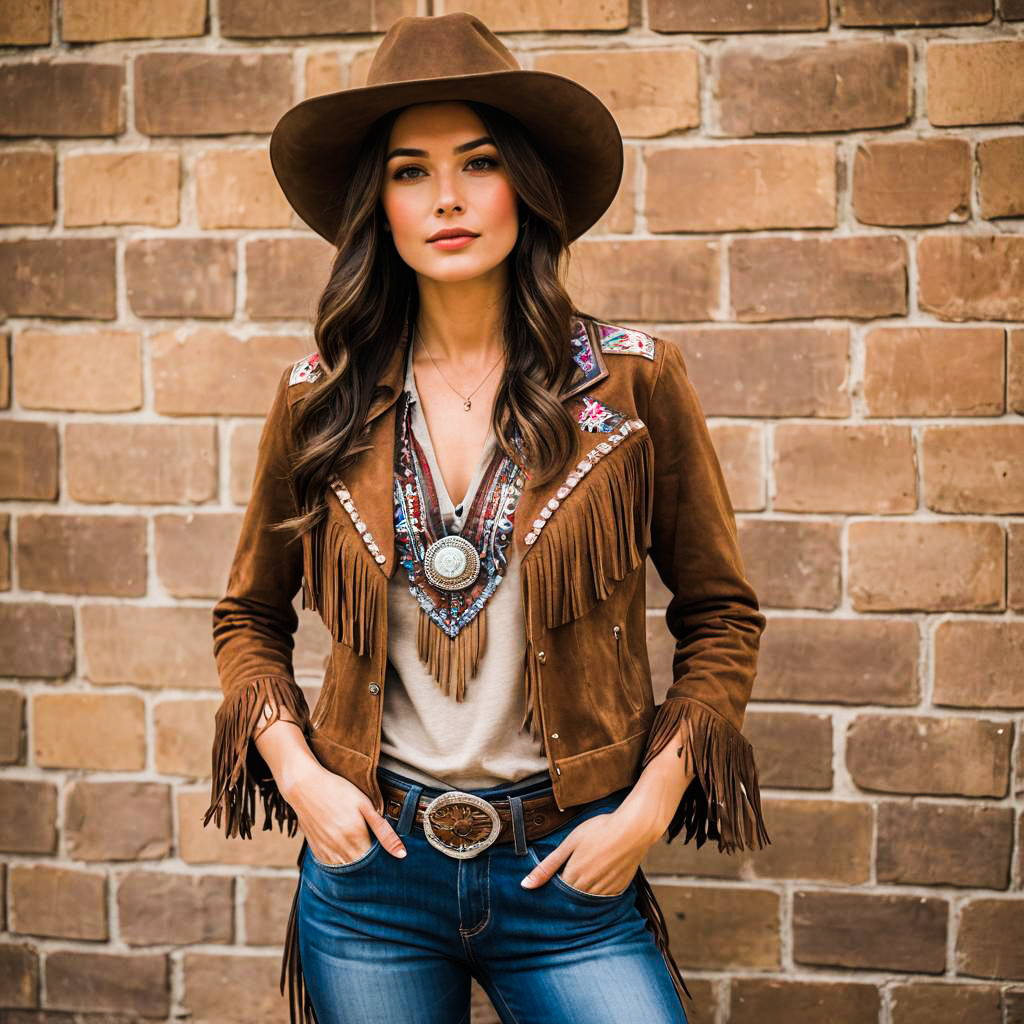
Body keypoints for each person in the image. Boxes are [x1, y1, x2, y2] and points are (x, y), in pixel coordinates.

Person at [202, 12, 771, 1024]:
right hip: (372, 876)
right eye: (411, 171)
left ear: (527, 187)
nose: (449, 198)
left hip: (568, 870)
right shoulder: (317, 397)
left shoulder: (633, 381)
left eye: (479, 162)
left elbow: (720, 615)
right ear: (376, 201)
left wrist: (642, 815)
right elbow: (248, 617)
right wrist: (300, 779)